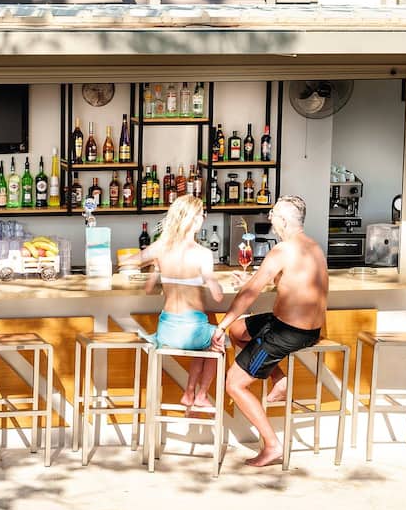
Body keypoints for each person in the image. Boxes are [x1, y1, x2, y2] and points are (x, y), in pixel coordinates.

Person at [210, 195, 328, 467]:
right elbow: (292, 283)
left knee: (234, 384)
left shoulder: (282, 250)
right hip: (307, 330)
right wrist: (253, 281)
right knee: (239, 330)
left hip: (287, 332)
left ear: (283, 221)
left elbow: (249, 294)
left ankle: (272, 445)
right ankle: (279, 379)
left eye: (273, 215)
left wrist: (222, 324)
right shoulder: (313, 247)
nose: (270, 219)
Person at [119, 195, 224, 407]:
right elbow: (218, 296)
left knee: (204, 342)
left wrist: (155, 267)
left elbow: (126, 264)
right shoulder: (203, 254)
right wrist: (213, 281)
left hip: (166, 331)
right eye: (201, 214)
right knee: (216, 341)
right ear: (193, 219)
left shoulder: (161, 247)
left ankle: (189, 393)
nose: (203, 218)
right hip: (193, 331)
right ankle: (201, 394)